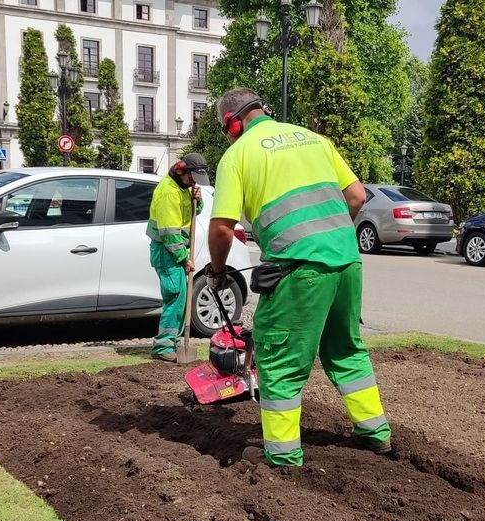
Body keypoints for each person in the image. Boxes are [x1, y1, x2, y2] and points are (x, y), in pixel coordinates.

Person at [204, 87, 391, 468]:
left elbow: (222, 228)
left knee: (279, 357)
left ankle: (283, 456)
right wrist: (329, 241)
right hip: (346, 263)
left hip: (299, 271)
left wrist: (218, 273)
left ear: (233, 123)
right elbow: (356, 195)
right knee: (346, 349)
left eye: (226, 129)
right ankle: (375, 434)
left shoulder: (238, 154)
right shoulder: (314, 139)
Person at [146, 153, 208, 362]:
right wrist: (183, 257)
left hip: (175, 249)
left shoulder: (185, 187)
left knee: (181, 296)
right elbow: (169, 232)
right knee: (175, 295)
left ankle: (171, 342)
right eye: (192, 178)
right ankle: (163, 346)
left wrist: (197, 202)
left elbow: (191, 213)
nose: (194, 183)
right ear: (182, 171)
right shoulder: (168, 192)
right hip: (167, 251)